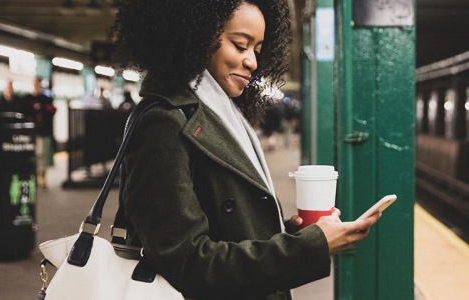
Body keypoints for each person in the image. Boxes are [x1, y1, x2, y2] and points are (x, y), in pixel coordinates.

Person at [111, 1, 380, 299]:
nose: (252, 61)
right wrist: (309, 248)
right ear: (197, 36)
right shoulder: (164, 123)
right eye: (240, 46)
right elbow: (188, 262)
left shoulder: (222, 115)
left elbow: (227, 228)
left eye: (257, 50)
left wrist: (292, 234)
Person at [22, 77, 57, 188]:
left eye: (38, 84)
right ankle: (36, 175)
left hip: (43, 131)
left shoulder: (46, 99)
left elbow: (52, 111)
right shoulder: (27, 99)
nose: (36, 86)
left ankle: (42, 175)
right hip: (31, 132)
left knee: (42, 154)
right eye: (35, 84)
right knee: (35, 155)